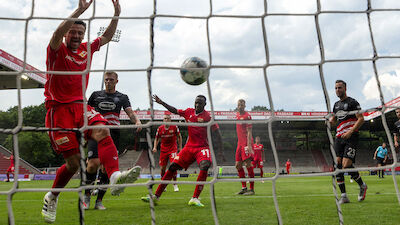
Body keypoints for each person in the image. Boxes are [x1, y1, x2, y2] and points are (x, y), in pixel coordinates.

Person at [41, 1, 141, 223]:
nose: (76, 36)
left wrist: (116, 14)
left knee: (103, 129)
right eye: (73, 32)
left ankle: (115, 176)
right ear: (67, 34)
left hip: (81, 106)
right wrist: (80, 11)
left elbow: (106, 37)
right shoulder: (56, 49)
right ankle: (52, 196)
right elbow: (56, 34)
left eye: (80, 32)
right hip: (59, 111)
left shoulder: (87, 49)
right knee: (74, 163)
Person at [141, 95, 223, 207]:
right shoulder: (188, 112)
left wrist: (220, 151)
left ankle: (195, 198)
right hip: (189, 147)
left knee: (205, 165)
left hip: (202, 147)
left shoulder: (208, 117)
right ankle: (156, 196)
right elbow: (174, 110)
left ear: (205, 104)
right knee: (172, 167)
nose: (197, 105)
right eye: (196, 102)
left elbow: (218, 133)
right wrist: (162, 102)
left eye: (200, 103)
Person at [82, 71, 143, 210]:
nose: (108, 82)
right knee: (92, 164)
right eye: (106, 79)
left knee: (105, 168)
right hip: (95, 132)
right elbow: (86, 111)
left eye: (111, 79)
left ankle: (99, 201)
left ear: (116, 81)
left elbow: (130, 113)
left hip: (113, 134)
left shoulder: (122, 97)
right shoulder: (95, 95)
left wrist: (137, 121)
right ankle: (86, 197)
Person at [329, 80, 367, 204]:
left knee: (346, 164)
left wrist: (350, 132)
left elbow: (361, 119)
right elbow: (334, 120)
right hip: (339, 137)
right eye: (335, 88)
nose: (337, 90)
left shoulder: (353, 102)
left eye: (339, 87)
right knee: (337, 164)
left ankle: (362, 185)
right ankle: (344, 196)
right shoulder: (335, 105)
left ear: (345, 88)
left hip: (351, 137)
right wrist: (330, 121)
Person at [153, 114, 183, 192]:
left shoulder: (174, 127)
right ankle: (163, 184)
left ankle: (175, 184)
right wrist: (155, 147)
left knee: (173, 165)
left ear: (170, 120)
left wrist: (180, 147)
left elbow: (179, 137)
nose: (166, 120)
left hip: (173, 149)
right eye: (165, 118)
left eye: (168, 118)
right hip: (163, 150)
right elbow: (157, 139)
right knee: (162, 168)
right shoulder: (160, 129)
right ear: (163, 120)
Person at [235, 99, 255, 195]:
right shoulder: (237, 115)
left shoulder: (247, 116)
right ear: (237, 105)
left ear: (245, 105)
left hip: (246, 143)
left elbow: (249, 131)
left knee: (248, 164)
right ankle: (244, 188)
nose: (240, 106)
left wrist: (249, 145)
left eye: (242, 104)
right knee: (238, 165)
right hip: (240, 143)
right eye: (239, 104)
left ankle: (251, 189)